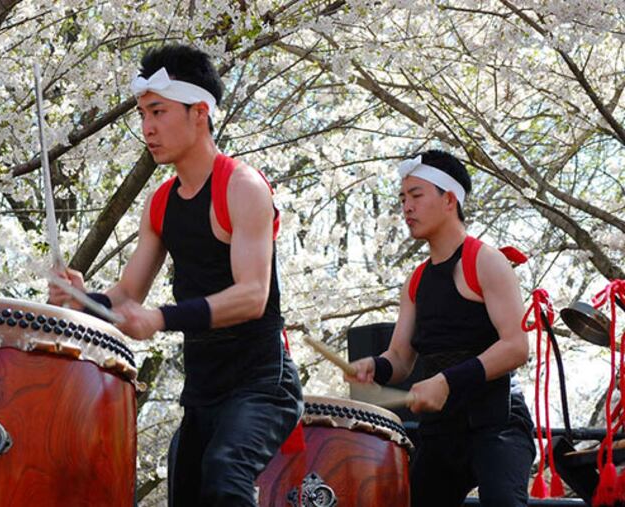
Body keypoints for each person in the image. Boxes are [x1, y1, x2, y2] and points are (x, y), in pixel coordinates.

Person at [48, 43, 303, 507]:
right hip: (203, 384)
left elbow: (252, 295)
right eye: (143, 113)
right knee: (186, 492)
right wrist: (83, 300)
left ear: (199, 112)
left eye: (159, 112)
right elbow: (128, 294)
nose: (147, 128)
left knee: (226, 475)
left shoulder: (243, 187)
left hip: (263, 380)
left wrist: (162, 318)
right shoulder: (161, 203)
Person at [346, 150, 535, 507]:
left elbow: (516, 347)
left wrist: (447, 381)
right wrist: (377, 366)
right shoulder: (415, 280)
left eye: (416, 195)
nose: (406, 208)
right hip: (442, 430)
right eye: (403, 199)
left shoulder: (486, 261)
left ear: (449, 199)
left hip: (497, 422)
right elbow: (401, 357)